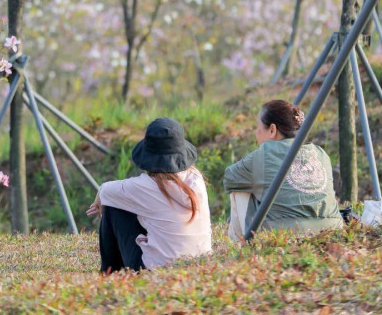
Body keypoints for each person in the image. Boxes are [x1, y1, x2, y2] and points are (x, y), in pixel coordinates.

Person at [86, 117, 211, 272]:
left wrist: (100, 197)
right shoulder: (196, 178)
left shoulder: (147, 186)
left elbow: (106, 191)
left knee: (114, 208)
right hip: (201, 263)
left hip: (157, 270)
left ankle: (109, 273)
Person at [224, 99, 344, 241]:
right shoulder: (320, 152)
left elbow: (229, 178)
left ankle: (240, 245)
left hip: (282, 234)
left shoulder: (263, 153)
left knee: (240, 185)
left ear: (272, 130)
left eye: (258, 128)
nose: (256, 133)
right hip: (333, 229)